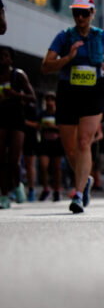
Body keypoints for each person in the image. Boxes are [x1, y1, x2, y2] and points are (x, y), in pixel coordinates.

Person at [41, 0, 104, 213]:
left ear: (93, 13)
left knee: (85, 142)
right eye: (76, 12)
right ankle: (85, 180)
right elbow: (45, 66)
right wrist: (68, 57)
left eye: (84, 13)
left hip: (94, 91)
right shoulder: (64, 37)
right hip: (68, 91)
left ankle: (78, 193)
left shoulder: (102, 36)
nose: (80, 16)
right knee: (71, 149)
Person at [0, 46, 36, 208]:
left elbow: (32, 97)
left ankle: (17, 185)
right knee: (1, 159)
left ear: (11, 58)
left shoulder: (18, 75)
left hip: (16, 119)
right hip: (1, 119)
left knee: (14, 159)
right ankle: (4, 195)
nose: (2, 58)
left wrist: (17, 95)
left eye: (5, 55)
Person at [37, 92, 64, 201]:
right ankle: (46, 189)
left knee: (56, 168)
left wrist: (53, 126)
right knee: (44, 166)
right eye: (47, 100)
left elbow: (64, 129)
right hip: (44, 143)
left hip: (57, 143)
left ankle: (57, 190)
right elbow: (36, 125)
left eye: (51, 100)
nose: (49, 102)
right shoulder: (41, 114)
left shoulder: (59, 114)